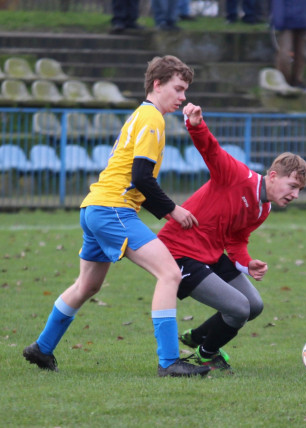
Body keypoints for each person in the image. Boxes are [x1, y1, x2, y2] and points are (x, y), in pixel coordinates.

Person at [23, 56, 210, 378]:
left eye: (185, 90)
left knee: (87, 285)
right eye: (178, 89)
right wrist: (172, 210)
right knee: (170, 274)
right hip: (113, 209)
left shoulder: (142, 114)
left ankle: (42, 347)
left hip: (95, 208)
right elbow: (141, 177)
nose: (183, 97)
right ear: (157, 84)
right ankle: (169, 362)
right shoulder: (152, 118)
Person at [156, 102, 306, 371]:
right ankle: (206, 353)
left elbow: (236, 241)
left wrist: (247, 263)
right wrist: (196, 125)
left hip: (210, 255)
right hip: (179, 252)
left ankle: (199, 336)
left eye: (299, 190)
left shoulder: (263, 209)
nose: (295, 195)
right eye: (292, 186)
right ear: (273, 176)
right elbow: (211, 151)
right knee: (239, 308)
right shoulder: (237, 176)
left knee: (254, 306)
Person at [272, 0, 306, 88]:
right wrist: (278, 20)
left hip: (304, 20)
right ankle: (284, 81)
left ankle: (297, 80)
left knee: (301, 53)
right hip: (286, 21)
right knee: (285, 54)